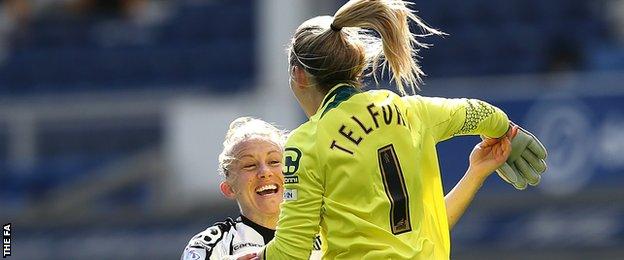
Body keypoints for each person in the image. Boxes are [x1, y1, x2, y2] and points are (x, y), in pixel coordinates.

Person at [257, 0, 546, 259]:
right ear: (356, 67)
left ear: (298, 75)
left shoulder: (306, 143)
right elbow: (478, 112)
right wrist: (506, 130)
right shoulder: (413, 111)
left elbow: (291, 251)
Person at [180, 117, 322, 260]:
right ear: (229, 188)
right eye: (249, 165)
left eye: (273, 162)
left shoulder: (327, 232)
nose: (265, 172)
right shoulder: (209, 245)